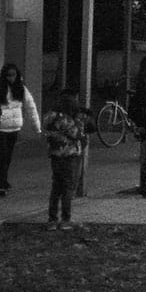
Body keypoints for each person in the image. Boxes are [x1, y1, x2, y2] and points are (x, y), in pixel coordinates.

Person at [0, 62, 41, 197]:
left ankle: (4, 180)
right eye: (8, 75)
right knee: (3, 155)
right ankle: (2, 183)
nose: (11, 78)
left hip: (14, 127)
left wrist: (36, 126)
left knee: (7, 156)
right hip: (1, 127)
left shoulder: (21, 89)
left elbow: (31, 107)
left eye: (13, 75)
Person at [42, 89, 87, 229]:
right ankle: (66, 219)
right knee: (68, 187)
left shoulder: (50, 117)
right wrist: (79, 121)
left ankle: (52, 219)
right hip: (68, 155)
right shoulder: (66, 120)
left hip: (55, 156)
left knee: (56, 187)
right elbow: (77, 134)